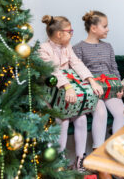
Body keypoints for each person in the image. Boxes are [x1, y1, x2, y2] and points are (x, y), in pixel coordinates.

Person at [39, 15, 103, 172]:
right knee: (64, 120)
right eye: (70, 31)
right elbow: (53, 71)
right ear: (60, 34)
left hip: (69, 95)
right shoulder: (43, 49)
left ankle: (80, 159)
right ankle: (59, 160)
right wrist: (67, 87)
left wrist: (92, 80)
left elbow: (77, 63)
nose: (72, 34)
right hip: (52, 94)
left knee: (81, 118)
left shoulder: (67, 47)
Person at [73, 11, 124, 146]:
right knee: (101, 111)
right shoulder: (78, 48)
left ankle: (116, 148)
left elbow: (114, 69)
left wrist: (119, 87)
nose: (108, 29)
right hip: (92, 90)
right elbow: (78, 74)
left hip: (110, 87)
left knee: (122, 112)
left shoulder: (108, 46)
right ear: (93, 28)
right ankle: (98, 149)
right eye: (105, 26)